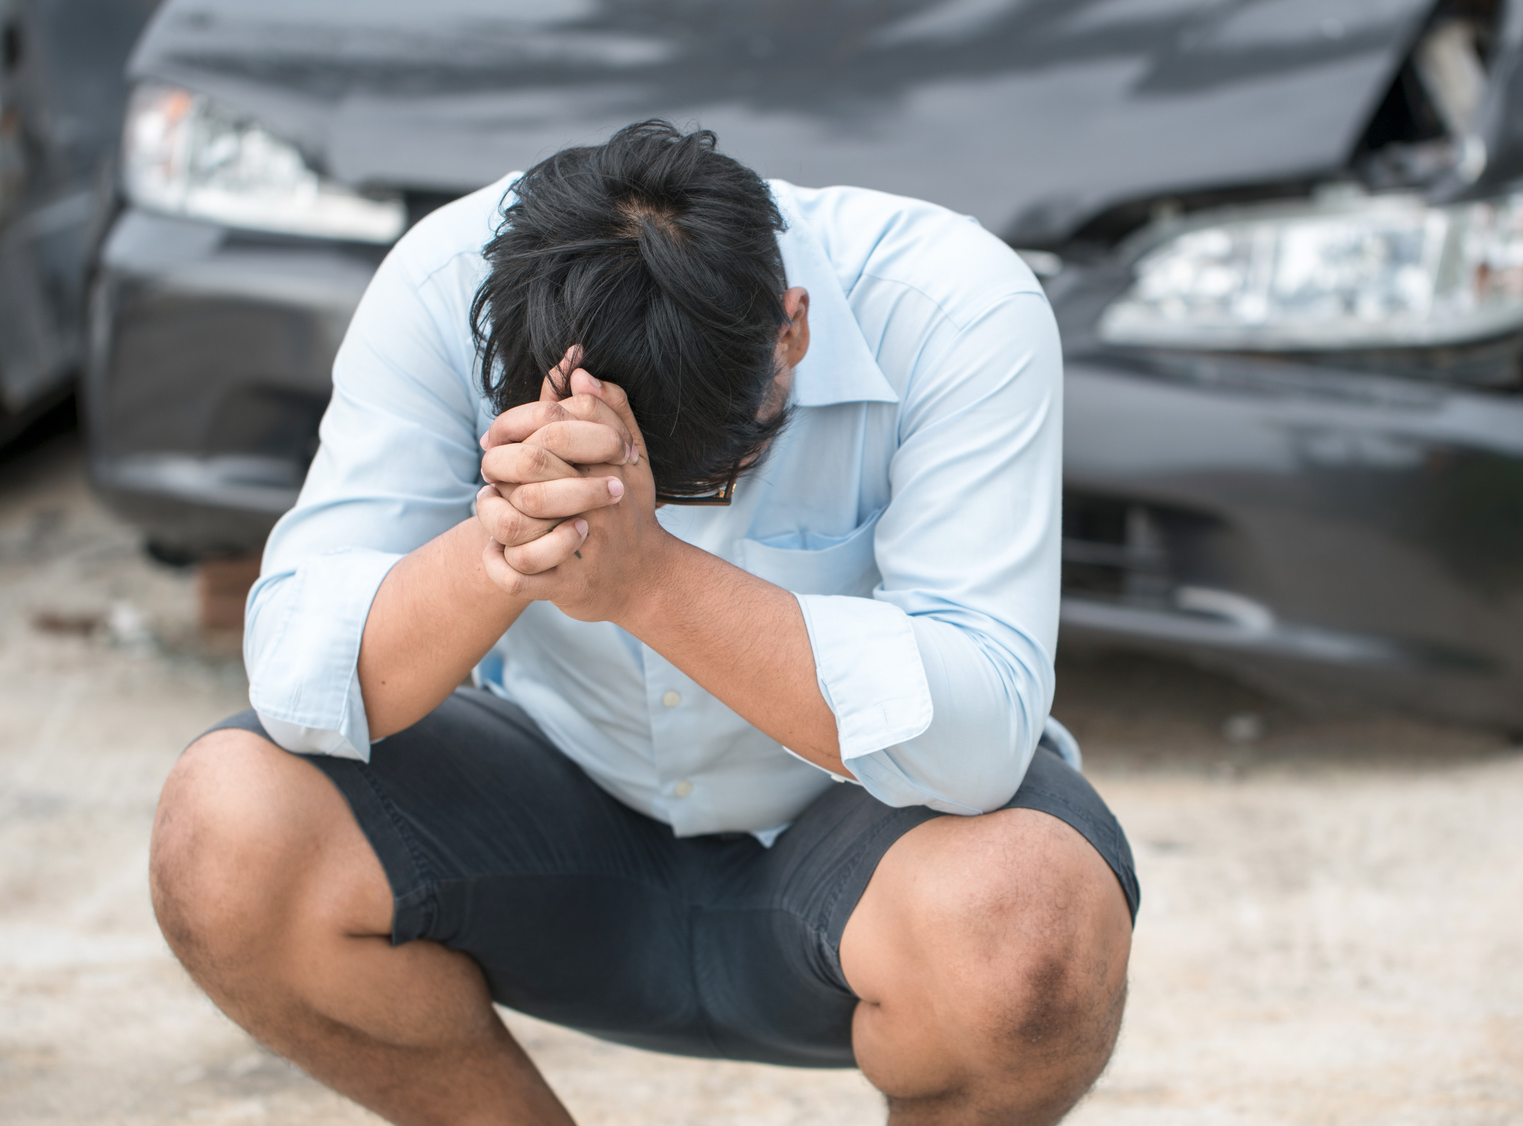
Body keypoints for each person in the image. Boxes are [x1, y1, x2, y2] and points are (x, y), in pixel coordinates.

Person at [149, 120, 1139, 1125]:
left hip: (860, 860)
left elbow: (981, 738)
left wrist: (648, 578)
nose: (643, 506)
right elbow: (293, 675)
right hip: (556, 829)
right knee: (224, 828)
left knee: (1027, 922)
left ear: (788, 330)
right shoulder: (447, 285)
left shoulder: (953, 303)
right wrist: (508, 543)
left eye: (706, 479)